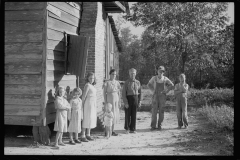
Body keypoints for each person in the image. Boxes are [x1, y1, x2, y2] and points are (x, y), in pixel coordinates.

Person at [147, 66, 174, 130]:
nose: (160, 72)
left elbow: (172, 85)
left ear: (163, 72)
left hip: (162, 96)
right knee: (154, 111)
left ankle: (160, 125)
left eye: (162, 71)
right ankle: (153, 126)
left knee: (161, 111)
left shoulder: (165, 79)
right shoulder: (154, 78)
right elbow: (148, 84)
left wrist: (167, 90)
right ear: (157, 71)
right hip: (155, 96)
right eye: (159, 71)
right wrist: (153, 91)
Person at [122, 68, 142, 134]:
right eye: (131, 73)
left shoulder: (138, 82)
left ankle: (133, 129)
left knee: (134, 114)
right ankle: (127, 128)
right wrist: (125, 103)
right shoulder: (126, 82)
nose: (132, 74)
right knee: (128, 114)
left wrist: (139, 101)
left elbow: (140, 93)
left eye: (133, 73)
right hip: (128, 99)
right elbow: (124, 93)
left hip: (135, 99)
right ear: (129, 74)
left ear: (135, 74)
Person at [103, 69, 121, 136]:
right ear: (110, 74)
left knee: (114, 114)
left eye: (115, 74)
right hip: (109, 98)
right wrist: (105, 101)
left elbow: (119, 92)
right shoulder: (107, 83)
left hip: (116, 98)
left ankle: (112, 130)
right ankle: (106, 131)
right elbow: (104, 92)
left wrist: (119, 101)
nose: (114, 76)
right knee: (108, 114)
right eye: (113, 74)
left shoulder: (117, 82)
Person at [81, 72, 97, 142]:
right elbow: (84, 96)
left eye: (93, 78)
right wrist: (82, 105)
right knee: (86, 118)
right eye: (90, 78)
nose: (92, 79)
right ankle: (83, 135)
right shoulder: (87, 85)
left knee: (90, 118)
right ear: (87, 78)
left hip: (92, 103)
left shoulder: (92, 85)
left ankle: (88, 134)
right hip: (88, 103)